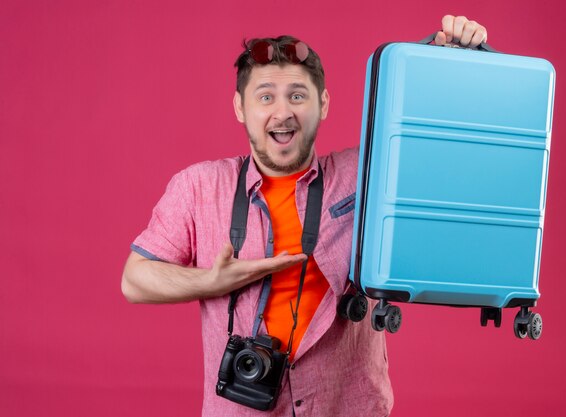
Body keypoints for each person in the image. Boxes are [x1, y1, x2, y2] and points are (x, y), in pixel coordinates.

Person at [122, 15, 488, 417]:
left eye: (298, 95)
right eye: (266, 97)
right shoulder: (198, 187)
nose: (282, 112)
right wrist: (212, 280)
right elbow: (135, 280)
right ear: (240, 107)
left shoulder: (365, 174)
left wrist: (448, 56)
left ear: (323, 104)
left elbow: (426, 137)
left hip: (348, 406)